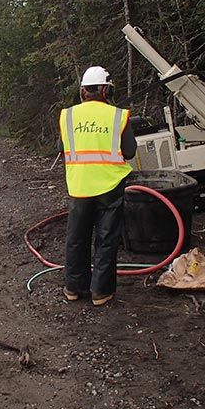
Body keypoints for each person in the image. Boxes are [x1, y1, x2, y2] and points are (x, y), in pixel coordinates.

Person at [58, 66, 138, 306]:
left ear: (83, 91)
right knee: (106, 238)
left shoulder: (68, 116)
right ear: (106, 90)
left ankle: (74, 288)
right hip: (110, 186)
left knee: (76, 238)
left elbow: (63, 149)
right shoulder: (118, 116)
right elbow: (130, 151)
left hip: (79, 185)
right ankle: (100, 292)